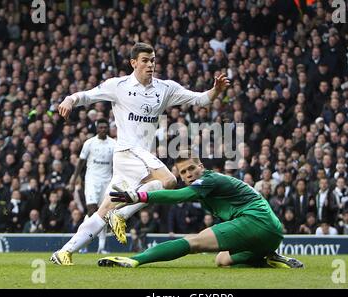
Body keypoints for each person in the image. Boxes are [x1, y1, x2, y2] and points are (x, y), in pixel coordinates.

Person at [51, 42, 230, 265]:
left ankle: (64, 252)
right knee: (168, 180)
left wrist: (216, 91)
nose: (150, 65)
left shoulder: (165, 89)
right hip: (127, 151)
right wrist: (70, 99)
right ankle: (122, 215)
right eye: (145, 60)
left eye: (153, 60)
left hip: (140, 155)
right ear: (133, 63)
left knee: (105, 208)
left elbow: (199, 99)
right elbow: (87, 96)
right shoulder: (118, 85)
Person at [98, 151, 304, 269]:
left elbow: (180, 196)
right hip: (272, 232)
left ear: (201, 167)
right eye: (183, 172)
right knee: (222, 260)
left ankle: (134, 260)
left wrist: (139, 195)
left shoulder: (208, 179)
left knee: (194, 242)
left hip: (255, 221)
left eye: (191, 169)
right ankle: (270, 258)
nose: (188, 174)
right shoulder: (210, 183)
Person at [68, 118, 116, 253]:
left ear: (108, 128)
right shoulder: (89, 143)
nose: (103, 129)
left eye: (105, 127)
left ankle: (101, 247)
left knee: (103, 213)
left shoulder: (113, 144)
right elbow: (81, 163)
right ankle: (82, 243)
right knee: (91, 211)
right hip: (92, 180)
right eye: (100, 127)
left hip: (107, 181)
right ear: (96, 128)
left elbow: (117, 164)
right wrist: (73, 180)